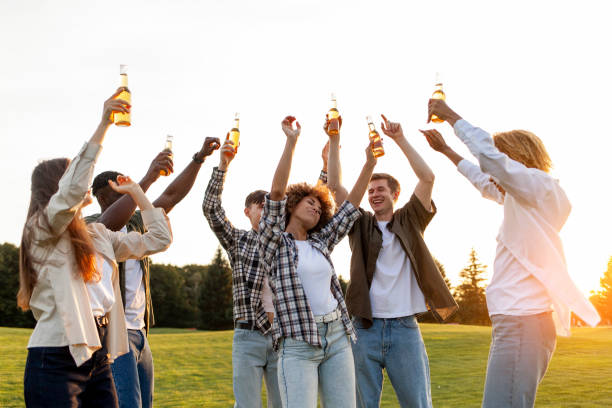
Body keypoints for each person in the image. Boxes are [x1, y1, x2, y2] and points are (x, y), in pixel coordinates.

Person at [424, 98, 601, 408]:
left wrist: (450, 116)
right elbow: (483, 179)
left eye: (501, 160)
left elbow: (490, 162)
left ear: (517, 159)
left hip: (523, 323)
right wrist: (446, 152)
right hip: (517, 323)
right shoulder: (523, 200)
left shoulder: (539, 188)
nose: (494, 175)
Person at [18, 89, 172, 407]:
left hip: (98, 355)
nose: (83, 186)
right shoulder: (41, 230)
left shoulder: (97, 234)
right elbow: (73, 189)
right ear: (55, 189)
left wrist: (137, 192)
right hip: (56, 357)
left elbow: (159, 239)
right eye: (72, 177)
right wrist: (104, 124)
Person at [325, 114, 457, 408]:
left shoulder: (411, 220)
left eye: (380, 189)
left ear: (395, 194)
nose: (373, 195)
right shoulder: (359, 223)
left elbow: (427, 177)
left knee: (418, 403)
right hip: (363, 330)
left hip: (404, 330)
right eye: (370, 192)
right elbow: (334, 185)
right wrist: (334, 139)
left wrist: (399, 139)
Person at [86, 136, 220, 408]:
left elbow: (171, 196)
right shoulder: (91, 227)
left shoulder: (136, 223)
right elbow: (107, 225)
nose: (130, 195)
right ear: (102, 196)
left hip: (141, 335)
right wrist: (145, 180)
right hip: (113, 333)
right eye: (120, 190)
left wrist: (199, 158)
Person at [258, 115, 377, 408]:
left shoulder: (319, 241)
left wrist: (370, 164)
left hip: (336, 335)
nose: (314, 205)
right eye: (308, 201)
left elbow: (351, 208)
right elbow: (275, 193)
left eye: (318, 204)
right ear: (291, 206)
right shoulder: (274, 242)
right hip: (297, 343)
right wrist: (291, 141)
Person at [203, 135, 329, 408]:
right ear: (247, 211)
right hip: (248, 336)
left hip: (283, 335)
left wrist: (326, 166)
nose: (268, 210)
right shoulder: (238, 240)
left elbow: (315, 202)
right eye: (261, 206)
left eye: (271, 206)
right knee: (246, 405)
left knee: (283, 403)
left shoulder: (288, 242)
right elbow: (211, 209)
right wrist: (223, 166)